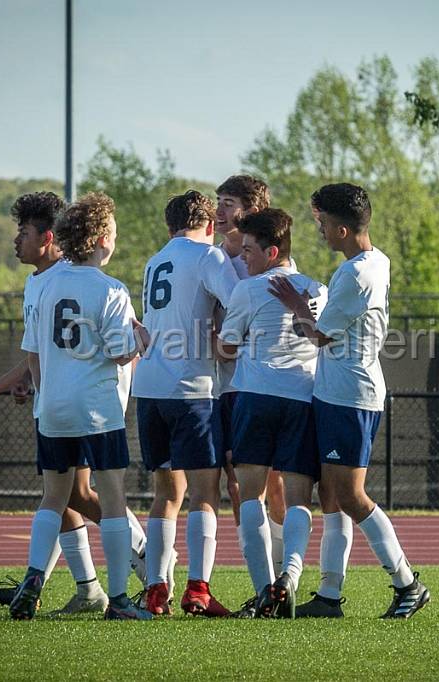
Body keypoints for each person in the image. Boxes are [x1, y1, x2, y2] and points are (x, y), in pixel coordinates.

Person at [0, 192, 147, 617]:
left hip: (52, 408)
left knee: (54, 498)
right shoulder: (112, 289)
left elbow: (33, 351)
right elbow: (123, 352)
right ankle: (120, 597)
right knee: (110, 499)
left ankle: (35, 577)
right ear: (104, 238)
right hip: (97, 409)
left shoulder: (47, 287)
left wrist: (37, 387)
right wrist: (144, 338)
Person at [270, 182, 430, 619]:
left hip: (350, 394)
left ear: (341, 230)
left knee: (351, 495)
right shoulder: (373, 262)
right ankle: (328, 595)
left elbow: (318, 335)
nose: (318, 230)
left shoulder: (356, 273)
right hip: (337, 391)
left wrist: (295, 304)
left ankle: (407, 583)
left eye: (322, 222)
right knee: (333, 496)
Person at [131, 190, 239, 617]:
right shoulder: (208, 256)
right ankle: (198, 589)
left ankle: (157, 589)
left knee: (165, 493)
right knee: (205, 493)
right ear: (210, 225)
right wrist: (224, 340)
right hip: (192, 388)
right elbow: (241, 302)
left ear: (168, 226)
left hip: (150, 387)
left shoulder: (154, 260)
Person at [216, 208, 327, 618]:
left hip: (255, 397)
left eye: (248, 250)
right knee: (299, 498)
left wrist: (216, 340)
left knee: (251, 496)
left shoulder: (248, 291)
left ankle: (265, 590)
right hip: (301, 398)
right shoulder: (317, 287)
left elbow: (226, 348)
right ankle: (291, 577)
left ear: (272, 250)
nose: (243, 258)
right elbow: (322, 339)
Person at [214, 174, 287, 576]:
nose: (220, 210)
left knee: (274, 481)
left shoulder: (271, 263)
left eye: (229, 202)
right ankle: (260, 575)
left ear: (253, 211)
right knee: (236, 485)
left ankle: (279, 573)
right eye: (217, 201)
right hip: (222, 385)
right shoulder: (207, 258)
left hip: (264, 384)